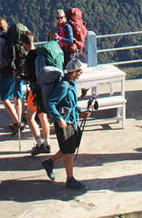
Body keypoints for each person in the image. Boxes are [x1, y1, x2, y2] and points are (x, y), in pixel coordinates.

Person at [41, 59, 91, 192]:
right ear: (74, 72)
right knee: (69, 152)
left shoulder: (71, 83)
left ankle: (49, 163)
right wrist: (59, 119)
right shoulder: (64, 86)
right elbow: (50, 103)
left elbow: (72, 104)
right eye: (80, 71)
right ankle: (70, 179)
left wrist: (81, 112)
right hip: (65, 123)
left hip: (71, 120)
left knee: (69, 147)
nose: (81, 73)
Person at [20, 30, 51, 156]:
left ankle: (39, 144)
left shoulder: (29, 57)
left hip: (34, 90)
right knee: (43, 117)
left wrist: (20, 76)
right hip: (43, 89)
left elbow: (31, 76)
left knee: (29, 117)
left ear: (24, 44)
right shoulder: (39, 53)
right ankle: (47, 144)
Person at [0, 18, 24, 136]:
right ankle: (18, 120)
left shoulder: (0, 40)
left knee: (4, 97)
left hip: (7, 71)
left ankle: (17, 122)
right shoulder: (15, 37)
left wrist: (0, 66)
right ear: (7, 25)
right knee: (17, 95)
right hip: (19, 70)